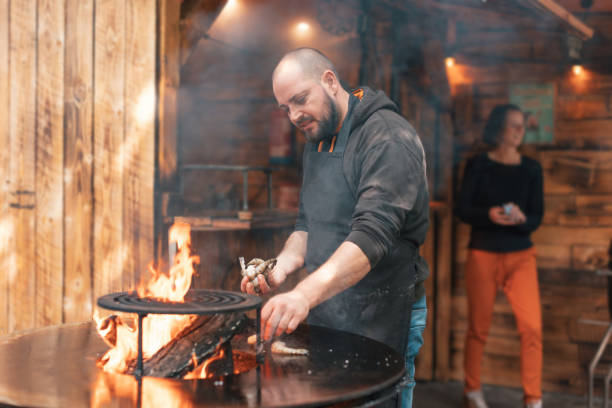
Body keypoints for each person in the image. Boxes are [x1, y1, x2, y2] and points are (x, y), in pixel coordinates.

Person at [240, 47, 430, 407]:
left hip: (383, 312)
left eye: (300, 100)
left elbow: (372, 237)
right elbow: (307, 224)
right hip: (331, 311)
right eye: (286, 108)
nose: (295, 115)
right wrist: (278, 269)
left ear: (329, 81)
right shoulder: (318, 135)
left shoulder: (388, 137)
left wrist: (303, 295)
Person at [455, 104, 544, 408]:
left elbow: (536, 218)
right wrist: (489, 215)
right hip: (483, 254)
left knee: (531, 328)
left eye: (522, 126)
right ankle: (472, 391)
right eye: (513, 125)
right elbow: (462, 210)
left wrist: (521, 218)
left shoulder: (531, 168)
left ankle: (533, 398)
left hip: (521, 256)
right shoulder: (478, 164)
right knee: (478, 328)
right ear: (498, 129)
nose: (520, 131)